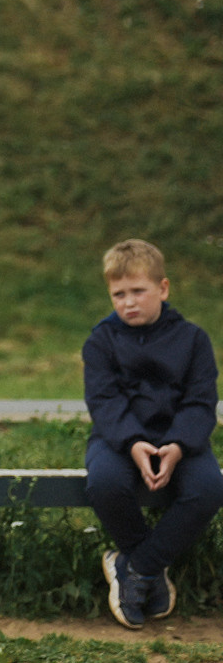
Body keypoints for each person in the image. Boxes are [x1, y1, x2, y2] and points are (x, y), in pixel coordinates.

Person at [84, 238, 221, 629]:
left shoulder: (193, 340)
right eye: (118, 294)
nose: (128, 303)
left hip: (183, 439)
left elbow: (200, 400)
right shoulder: (101, 341)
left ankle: (136, 566)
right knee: (106, 483)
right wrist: (132, 442)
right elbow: (104, 400)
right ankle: (149, 569)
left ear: (163, 288)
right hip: (119, 438)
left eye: (138, 291)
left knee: (209, 489)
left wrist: (178, 444)